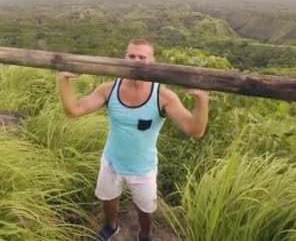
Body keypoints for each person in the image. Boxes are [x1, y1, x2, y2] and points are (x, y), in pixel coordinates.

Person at [58, 37, 209, 241]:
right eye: (131, 56)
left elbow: (195, 130)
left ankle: (145, 235)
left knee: (146, 208)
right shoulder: (109, 89)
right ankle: (111, 227)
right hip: (112, 161)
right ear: (124, 58)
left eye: (142, 57)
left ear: (152, 62)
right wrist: (64, 79)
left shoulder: (163, 96)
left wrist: (202, 99)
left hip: (143, 167)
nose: (136, 61)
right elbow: (74, 110)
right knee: (108, 199)